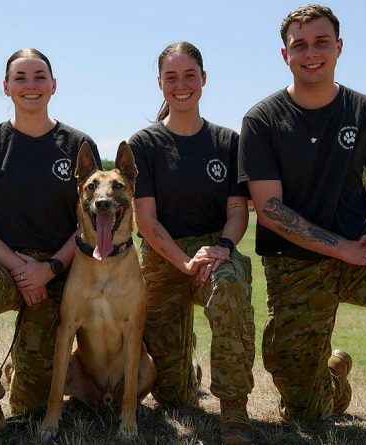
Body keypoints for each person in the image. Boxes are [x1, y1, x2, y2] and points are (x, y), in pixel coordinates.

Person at [238, 5, 366, 444]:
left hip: (361, 251)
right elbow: (270, 207)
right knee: (304, 412)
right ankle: (331, 375)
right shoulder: (262, 119)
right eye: (300, 45)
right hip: (293, 265)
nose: (311, 53)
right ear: (284, 53)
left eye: (321, 42)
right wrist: (340, 248)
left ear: (339, 47)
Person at [0, 48, 100, 445]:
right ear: (6, 87)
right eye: (21, 77)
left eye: (40, 76)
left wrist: (51, 269)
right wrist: (19, 267)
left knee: (30, 404)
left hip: (60, 268)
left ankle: (22, 376)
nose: (31, 85)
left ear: (54, 85)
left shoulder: (78, 144)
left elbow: (91, 221)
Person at [130, 41, 256, 445]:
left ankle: (234, 409)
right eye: (171, 77)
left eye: (189, 75)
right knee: (172, 397)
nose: (181, 84)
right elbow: (145, 221)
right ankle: (188, 373)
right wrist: (184, 264)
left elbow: (239, 210)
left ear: (204, 79)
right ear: (160, 84)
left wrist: (222, 246)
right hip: (162, 254)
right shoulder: (143, 144)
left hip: (216, 248)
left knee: (231, 288)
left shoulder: (227, 141)